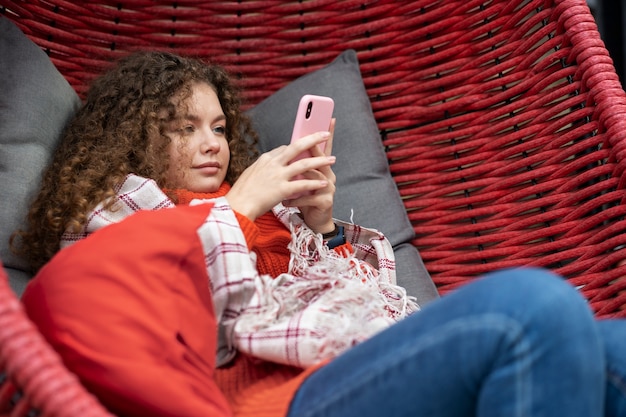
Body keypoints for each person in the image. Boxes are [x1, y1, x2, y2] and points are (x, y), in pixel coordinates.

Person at [10, 51, 626, 417]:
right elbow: (141, 323)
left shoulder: (277, 218)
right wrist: (240, 207)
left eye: (220, 127)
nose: (211, 144)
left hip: (357, 369)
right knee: (531, 309)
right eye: (182, 127)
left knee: (612, 348)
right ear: (129, 138)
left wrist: (324, 229)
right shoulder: (114, 215)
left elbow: (368, 304)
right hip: (270, 401)